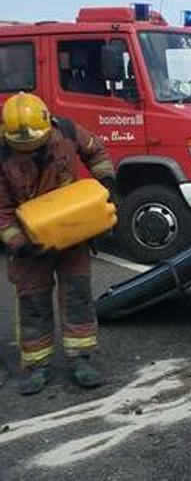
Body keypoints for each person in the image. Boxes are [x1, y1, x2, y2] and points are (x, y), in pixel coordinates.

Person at [0, 92, 116, 395]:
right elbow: (1, 212)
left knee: (77, 295)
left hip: (72, 231)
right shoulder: (2, 154)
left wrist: (106, 184)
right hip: (29, 239)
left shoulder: (65, 130)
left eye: (33, 145)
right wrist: (19, 243)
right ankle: (38, 365)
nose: (27, 151)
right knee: (33, 302)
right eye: (20, 147)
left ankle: (82, 359)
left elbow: (97, 152)